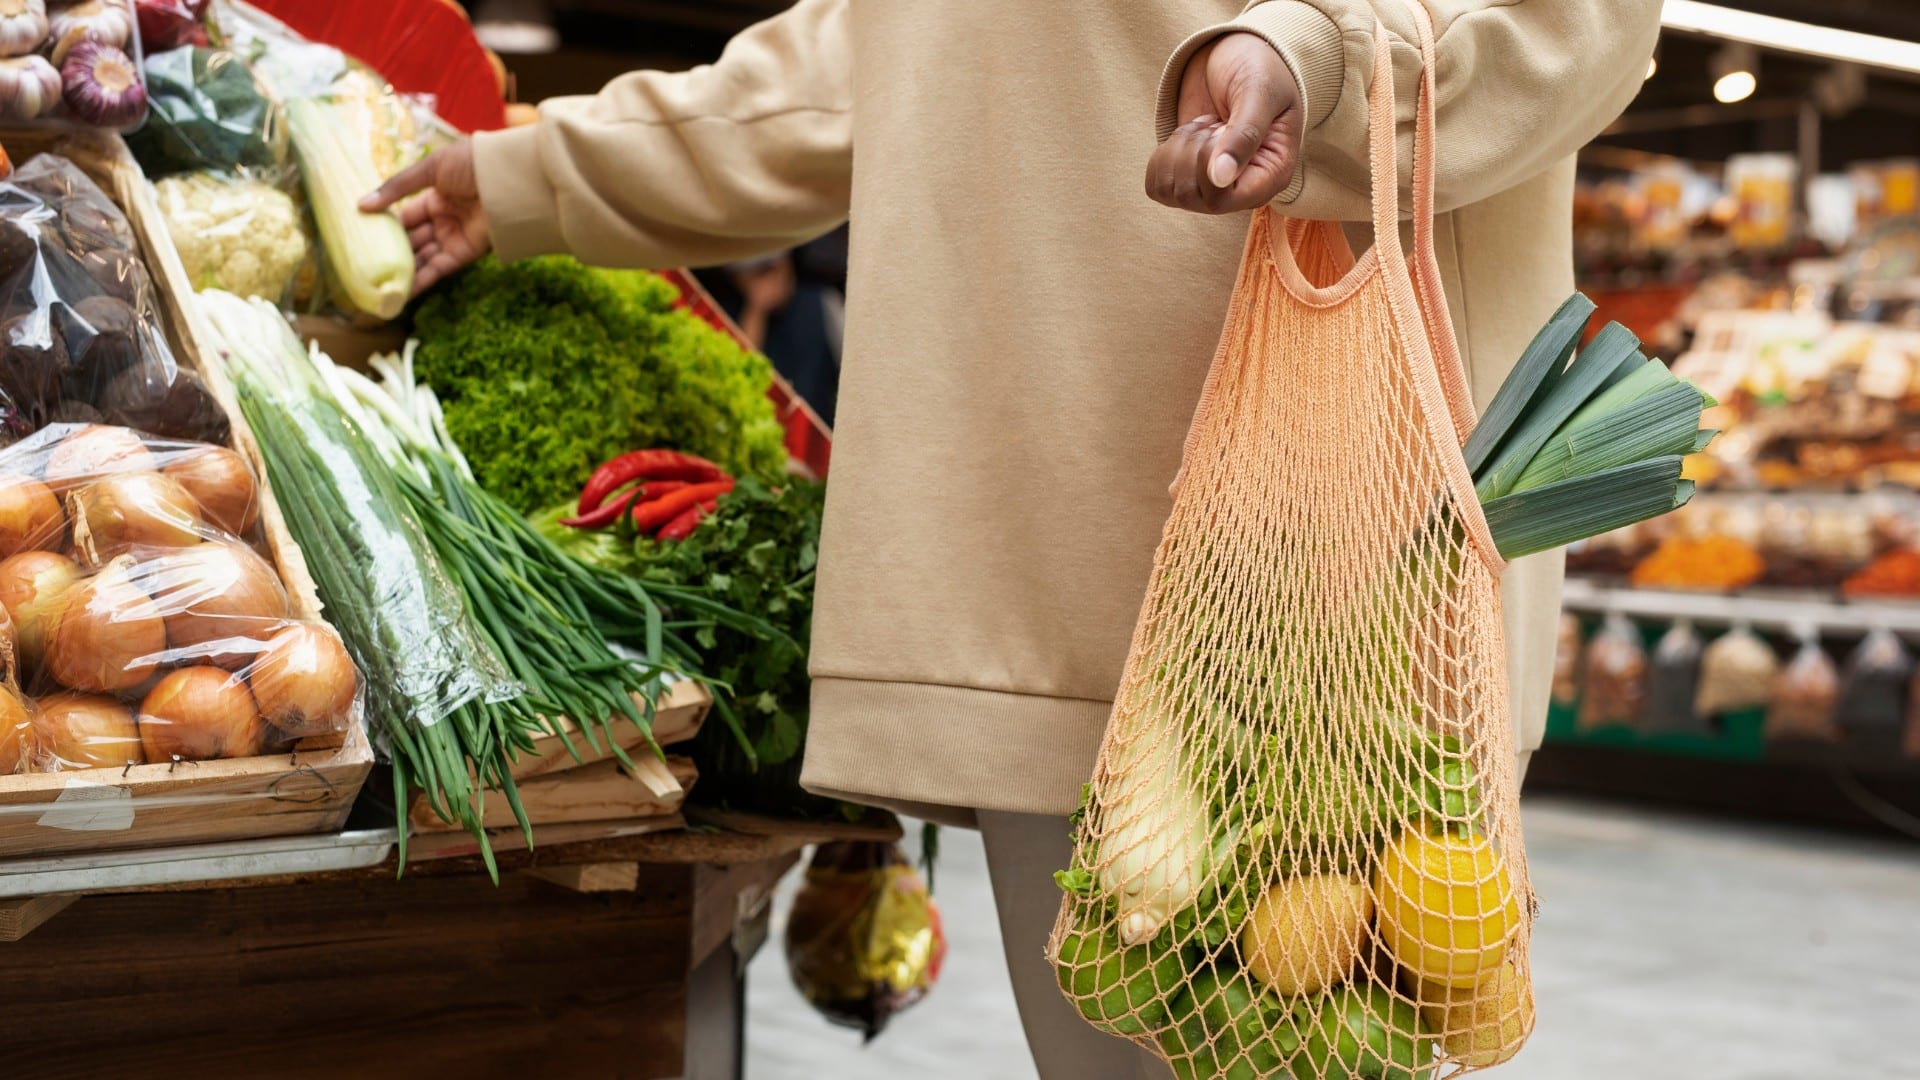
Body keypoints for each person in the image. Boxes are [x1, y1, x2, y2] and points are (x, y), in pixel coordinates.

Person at [363, 2, 1661, 1076]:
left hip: (1334, 581)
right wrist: (522, 175)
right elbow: (866, 52)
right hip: (1037, 561)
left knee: (1318, 1024)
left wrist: (1314, 57)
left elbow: (1576, 21)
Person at [699, 251, 845, 426]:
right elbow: (735, 383)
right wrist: (756, 312)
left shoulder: (823, 302)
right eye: (756, 274)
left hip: (821, 436)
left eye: (770, 269)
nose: (767, 281)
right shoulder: (727, 317)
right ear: (736, 279)